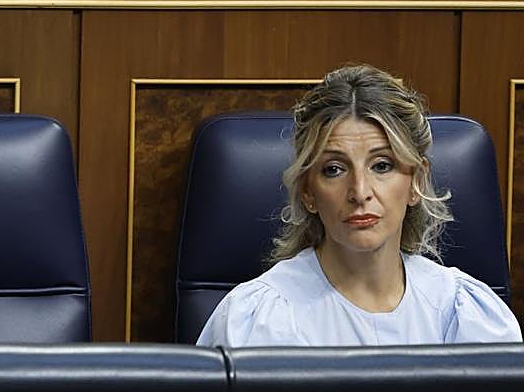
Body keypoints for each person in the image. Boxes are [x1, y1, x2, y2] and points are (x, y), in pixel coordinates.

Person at [197, 64, 522, 347]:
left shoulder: (461, 311)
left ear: (417, 182)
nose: (360, 191)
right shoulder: (257, 318)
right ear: (308, 192)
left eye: (382, 165)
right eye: (334, 169)